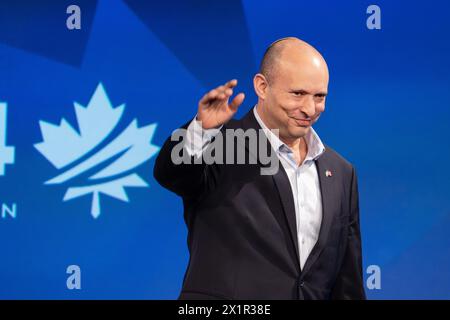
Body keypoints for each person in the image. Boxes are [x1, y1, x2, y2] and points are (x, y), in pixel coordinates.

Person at [154, 37, 366, 299]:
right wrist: (201, 130)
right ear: (262, 87)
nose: (310, 109)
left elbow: (348, 284)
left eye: (319, 96)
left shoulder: (341, 172)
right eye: (298, 93)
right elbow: (170, 173)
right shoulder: (222, 145)